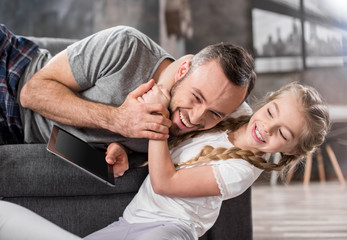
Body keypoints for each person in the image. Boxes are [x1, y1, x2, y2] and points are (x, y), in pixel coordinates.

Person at [0, 82, 329, 240]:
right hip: (129, 222)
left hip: (170, 230)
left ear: (288, 151)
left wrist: (155, 117)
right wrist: (128, 151)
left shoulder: (241, 171)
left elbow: (166, 181)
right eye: (271, 112)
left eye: (282, 134)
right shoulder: (237, 114)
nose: (266, 128)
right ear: (266, 103)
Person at [1, 24, 256, 156]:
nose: (197, 118)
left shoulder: (186, 133)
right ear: (182, 70)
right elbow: (32, 92)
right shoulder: (127, 46)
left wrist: (119, 149)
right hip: (13, 71)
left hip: (15, 132)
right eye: (197, 97)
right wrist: (117, 120)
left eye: (215, 114)